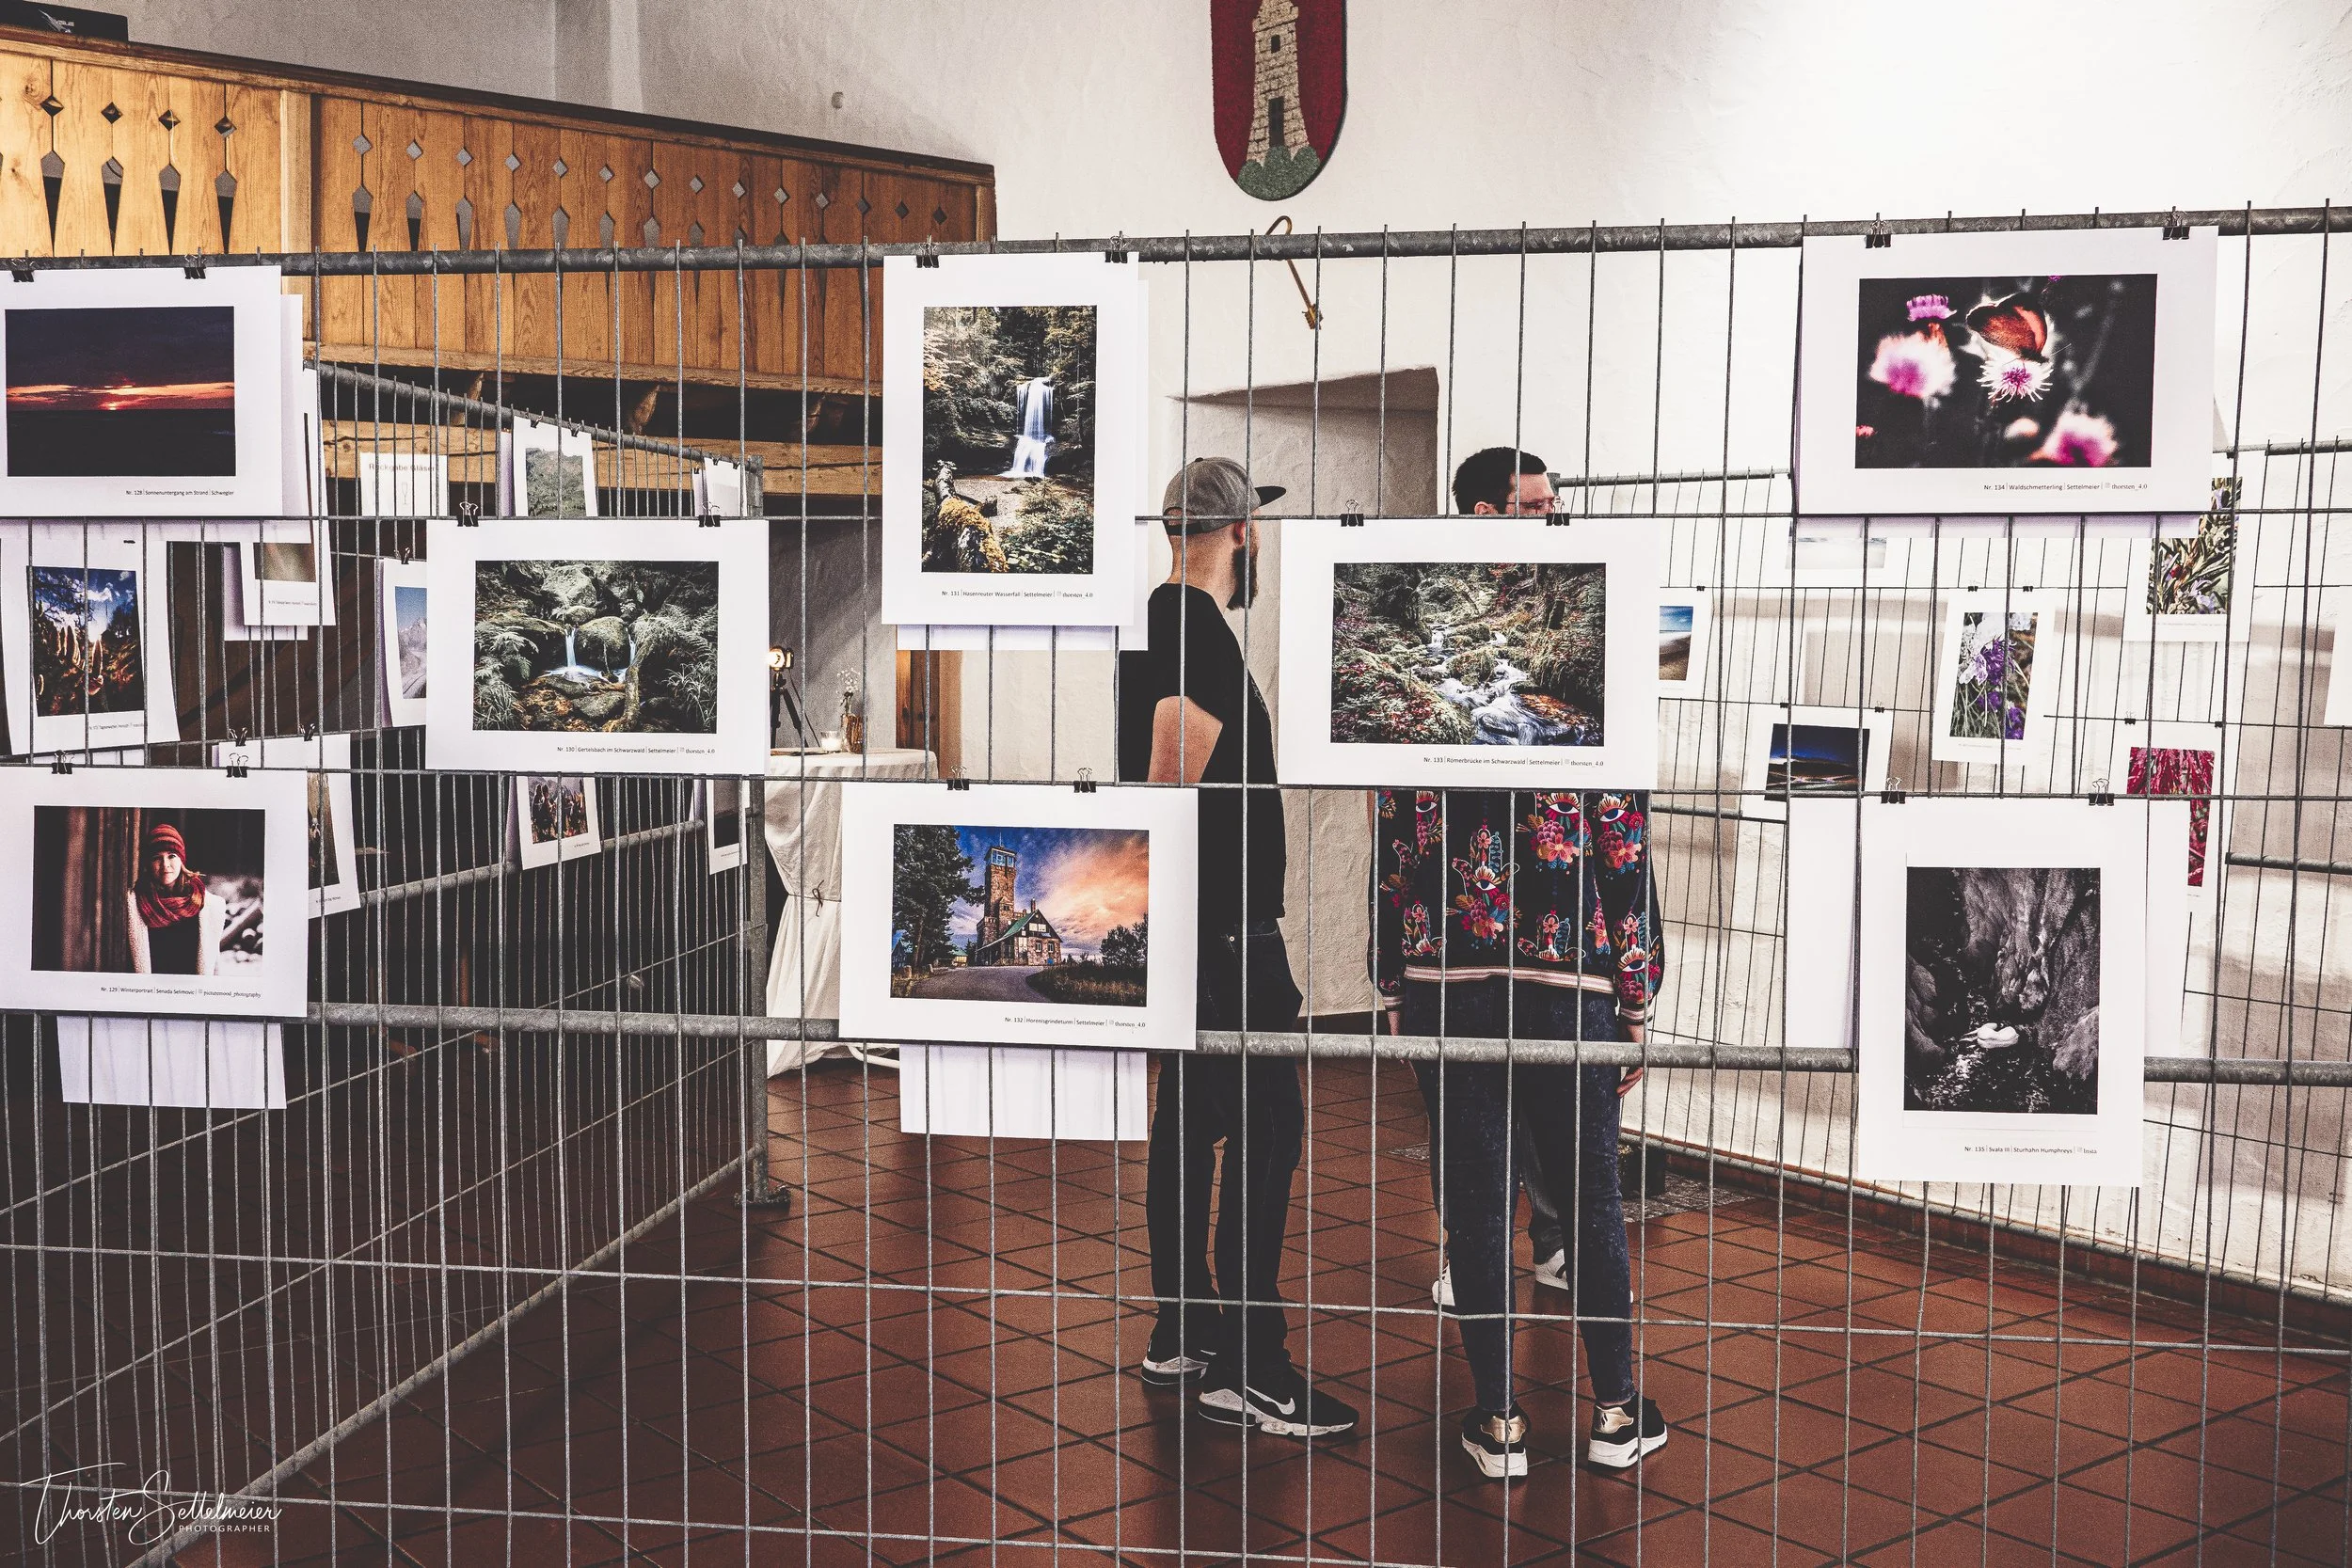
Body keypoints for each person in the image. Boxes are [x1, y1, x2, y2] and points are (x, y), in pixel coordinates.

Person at [1372, 445, 1669, 1479]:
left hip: (1448, 977)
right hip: (1567, 979)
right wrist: (1637, 988)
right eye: (1539, 505)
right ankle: (1616, 1408)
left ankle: (1498, 1420)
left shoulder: (1423, 654)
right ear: (1485, 514)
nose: (1556, 516)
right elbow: (1621, 832)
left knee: (1474, 1198)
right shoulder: (1593, 637)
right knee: (1589, 1196)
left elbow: (1394, 829)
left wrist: (1392, 975)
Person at [1118, 455, 1357, 1439]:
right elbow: (1168, 782)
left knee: (1189, 1120)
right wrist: (1197, 932)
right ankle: (1252, 1366)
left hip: (1201, 928)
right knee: (1269, 1127)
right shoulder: (1192, 628)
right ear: (1241, 533)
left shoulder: (1157, 620)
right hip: (1223, 931)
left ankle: (1184, 1328)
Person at [127, 821, 220, 976]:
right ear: (148, 864)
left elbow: (214, 964)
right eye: (157, 858)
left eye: (172, 856)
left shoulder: (207, 905)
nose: (165, 865)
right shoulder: (134, 904)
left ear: (181, 859)